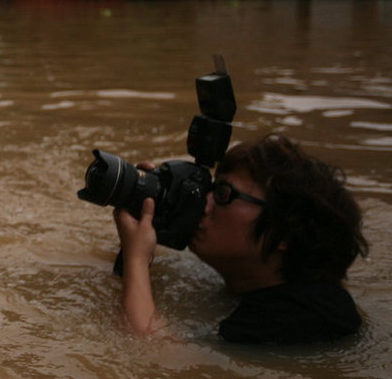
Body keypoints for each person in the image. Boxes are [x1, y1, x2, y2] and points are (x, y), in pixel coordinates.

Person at [113, 134, 368, 344]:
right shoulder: (236, 278)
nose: (204, 202)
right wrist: (150, 211)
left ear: (283, 233)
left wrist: (136, 259)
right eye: (211, 188)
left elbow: (155, 355)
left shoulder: (305, 315)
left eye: (223, 194)